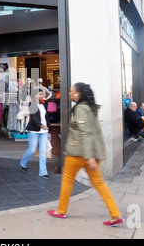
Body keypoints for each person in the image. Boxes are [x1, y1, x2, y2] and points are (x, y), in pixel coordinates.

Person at [47, 83, 123, 226]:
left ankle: (61, 210)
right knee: (99, 184)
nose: (69, 93)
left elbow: (86, 133)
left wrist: (89, 157)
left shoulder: (81, 109)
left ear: (78, 94)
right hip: (89, 153)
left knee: (67, 180)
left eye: (71, 91)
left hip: (78, 153)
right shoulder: (89, 108)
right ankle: (115, 214)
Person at [20, 88, 50, 179]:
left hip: (44, 131)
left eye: (42, 94)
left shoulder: (43, 104)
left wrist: (47, 126)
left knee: (43, 152)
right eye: (40, 94)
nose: (42, 96)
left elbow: (46, 117)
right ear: (35, 95)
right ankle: (23, 163)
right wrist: (40, 125)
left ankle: (43, 172)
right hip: (34, 130)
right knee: (32, 150)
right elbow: (33, 117)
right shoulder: (31, 104)